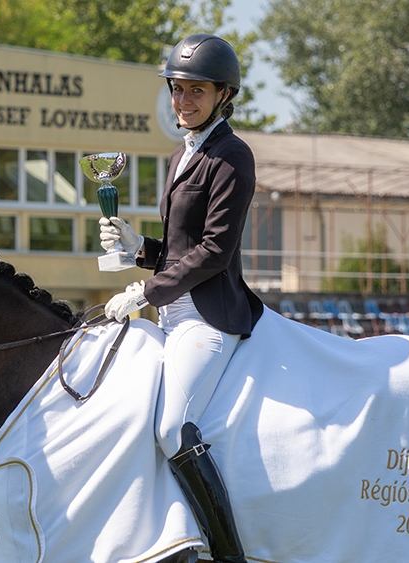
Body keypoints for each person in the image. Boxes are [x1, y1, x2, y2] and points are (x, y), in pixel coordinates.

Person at [100, 33, 263, 563]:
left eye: (196, 91)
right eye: (176, 89)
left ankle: (228, 552)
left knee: (173, 426)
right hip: (169, 311)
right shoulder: (181, 155)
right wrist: (137, 248)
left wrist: (145, 289)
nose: (183, 100)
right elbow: (178, 248)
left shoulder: (233, 155)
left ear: (222, 94)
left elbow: (215, 251)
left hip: (207, 317)